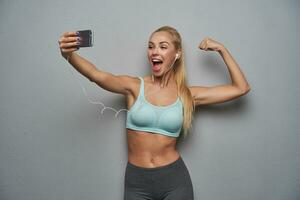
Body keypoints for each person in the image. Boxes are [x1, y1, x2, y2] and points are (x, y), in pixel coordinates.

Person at [58, 25, 250, 200]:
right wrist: (69, 55)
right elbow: (96, 75)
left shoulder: (187, 95)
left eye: (163, 46)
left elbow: (241, 88)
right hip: (137, 182)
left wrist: (222, 49)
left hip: (175, 181)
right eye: (151, 47)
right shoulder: (134, 87)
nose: (154, 52)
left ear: (177, 54)